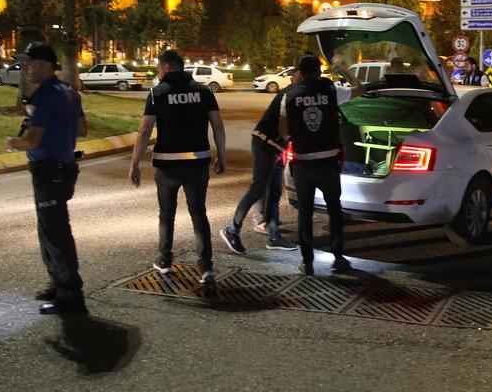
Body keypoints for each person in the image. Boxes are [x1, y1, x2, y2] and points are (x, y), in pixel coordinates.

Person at [129, 50, 226, 284]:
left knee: (166, 213)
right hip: (198, 162)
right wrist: (221, 156)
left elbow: (144, 131)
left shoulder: (157, 93)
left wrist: (134, 164)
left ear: (167, 68)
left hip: (167, 164)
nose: (158, 72)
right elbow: (218, 126)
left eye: (159, 68)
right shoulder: (203, 92)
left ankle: (164, 260)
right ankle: (206, 268)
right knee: (198, 213)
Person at [4, 42, 88, 315]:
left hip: (47, 171)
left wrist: (12, 142)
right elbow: (81, 128)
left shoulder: (44, 96)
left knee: (56, 234)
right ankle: (57, 283)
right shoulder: (69, 92)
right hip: (64, 168)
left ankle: (70, 296)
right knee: (48, 231)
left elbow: (32, 140)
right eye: (24, 63)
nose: (25, 67)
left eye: (30, 62)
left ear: (48, 66)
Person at [279, 54, 363, 275]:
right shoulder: (332, 91)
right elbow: (359, 90)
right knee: (334, 210)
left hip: (303, 165)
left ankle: (307, 262)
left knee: (304, 214)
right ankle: (338, 256)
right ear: (319, 71)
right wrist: (346, 68)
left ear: (299, 72)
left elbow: (283, 132)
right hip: (328, 163)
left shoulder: (289, 96)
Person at [219, 70, 304, 254]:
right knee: (258, 188)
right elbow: (283, 126)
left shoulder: (299, 94)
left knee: (274, 191)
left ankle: (274, 237)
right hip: (265, 144)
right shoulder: (290, 94)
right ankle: (232, 229)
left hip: (277, 147)